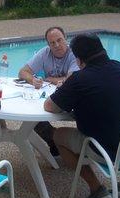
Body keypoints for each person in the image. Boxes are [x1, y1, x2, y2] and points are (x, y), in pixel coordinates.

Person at [43, 33, 120, 198]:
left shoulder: (80, 79)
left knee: (59, 136)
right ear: (102, 49)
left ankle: (96, 189)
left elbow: (50, 106)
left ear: (78, 60)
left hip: (109, 150)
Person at [18, 26, 80, 156]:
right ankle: (54, 142)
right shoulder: (44, 53)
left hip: (72, 98)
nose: (57, 45)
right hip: (50, 96)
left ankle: (76, 146)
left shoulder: (74, 53)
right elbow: (23, 72)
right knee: (32, 116)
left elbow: (72, 79)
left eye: (59, 40)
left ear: (65, 39)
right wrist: (32, 80)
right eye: (52, 43)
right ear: (48, 45)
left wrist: (51, 79)